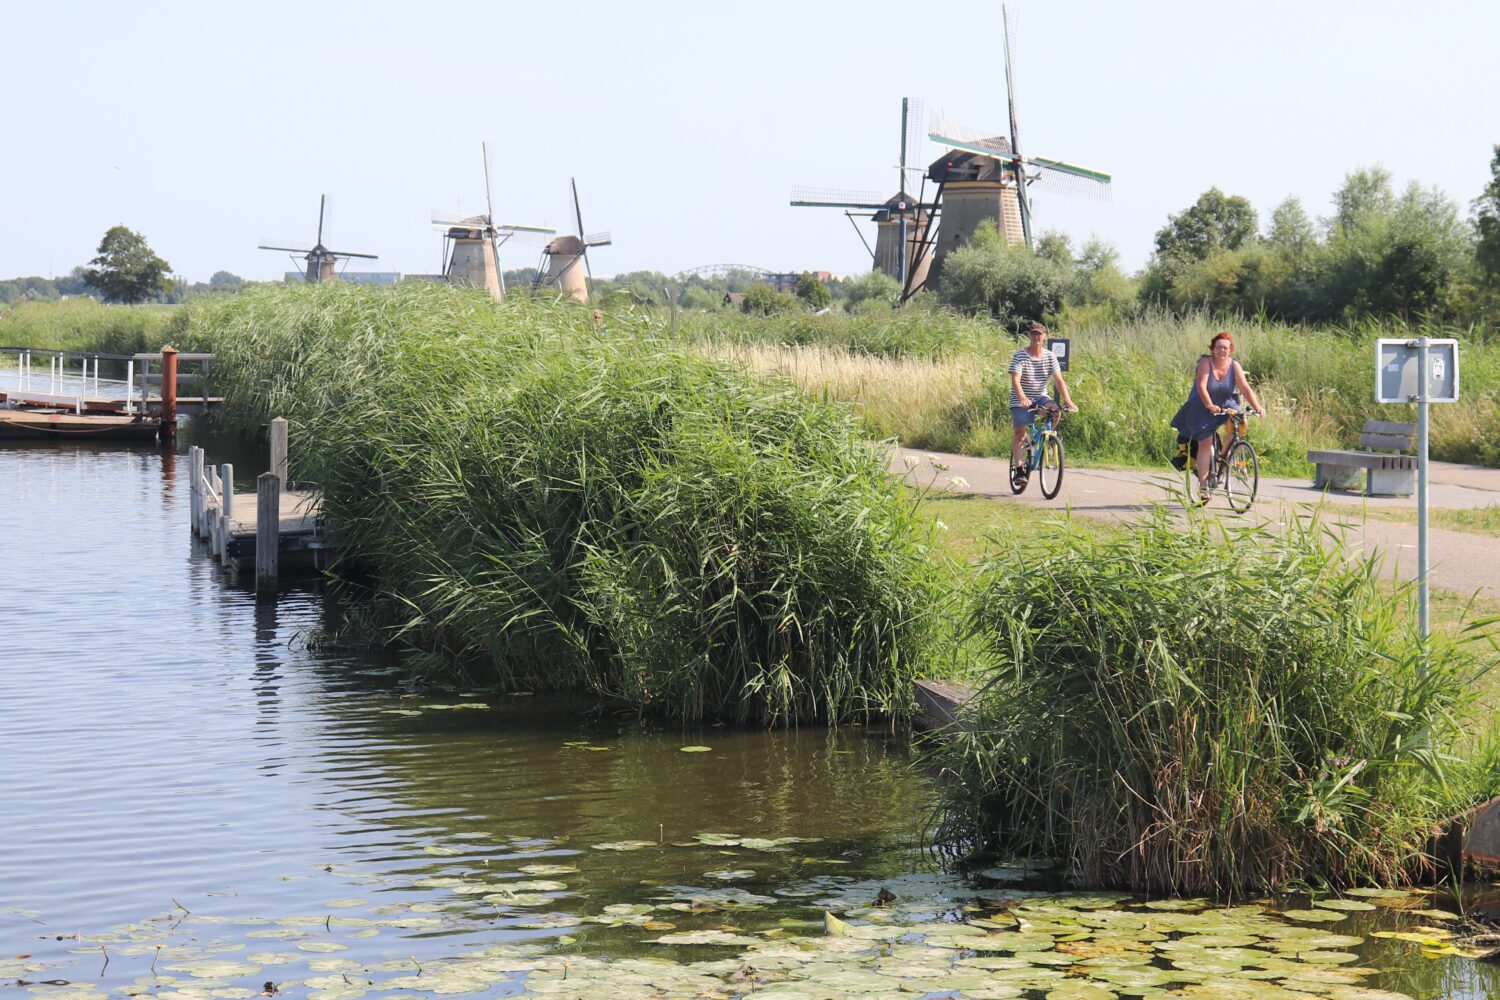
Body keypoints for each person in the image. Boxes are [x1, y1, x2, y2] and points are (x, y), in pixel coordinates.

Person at [1170, 331, 1265, 502]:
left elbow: (1244, 387)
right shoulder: (1206, 363)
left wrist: (1257, 407)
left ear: (1231, 350)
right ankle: (1204, 486)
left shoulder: (1234, 365)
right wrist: (1209, 405)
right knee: (1205, 443)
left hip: (1228, 404)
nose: (1222, 350)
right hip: (1203, 406)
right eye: (1219, 347)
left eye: (1226, 348)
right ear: (1213, 349)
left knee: (1240, 425)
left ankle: (1223, 456)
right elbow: (1201, 386)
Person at [1008, 321, 1077, 488]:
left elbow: (1059, 380)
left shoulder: (1049, 356)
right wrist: (1022, 397)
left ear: (1044, 337)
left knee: (1056, 411)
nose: (1036, 337)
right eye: (1033, 333)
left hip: (1040, 396)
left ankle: (1049, 442)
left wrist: (1068, 401)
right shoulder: (1021, 355)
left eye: (1039, 334)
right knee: (1020, 433)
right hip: (1021, 399)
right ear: (1029, 336)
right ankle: (1019, 471)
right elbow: (1015, 379)